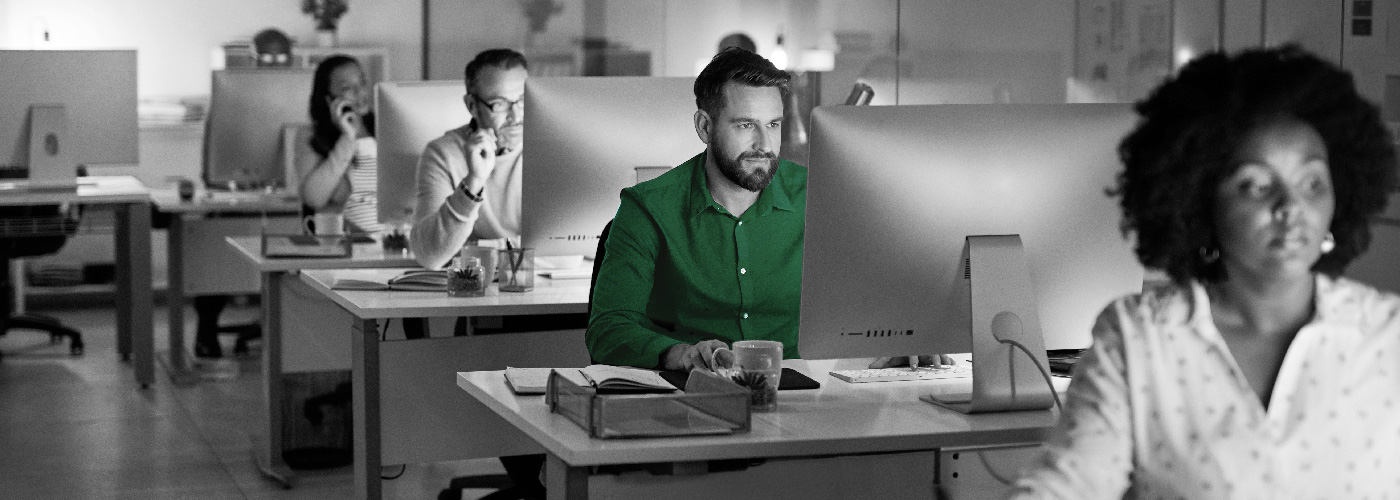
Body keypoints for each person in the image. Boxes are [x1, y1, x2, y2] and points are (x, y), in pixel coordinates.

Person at [1008, 45, 1400, 499]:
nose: (1291, 208)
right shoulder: (1140, 341)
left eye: (1312, 184)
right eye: (1256, 185)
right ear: (1199, 199)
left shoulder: (1386, 335)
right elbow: (1069, 483)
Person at [586, 47, 806, 371]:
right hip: (689, 399)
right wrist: (680, 354)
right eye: (746, 125)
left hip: (801, 394)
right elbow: (608, 331)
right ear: (705, 127)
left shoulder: (816, 197)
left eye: (773, 125)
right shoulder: (648, 207)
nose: (764, 144)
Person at [410, 48, 527, 269]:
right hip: (470, 288)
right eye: (500, 104)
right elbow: (430, 256)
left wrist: (478, 248)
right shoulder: (442, 154)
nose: (517, 115)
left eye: (522, 99)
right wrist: (473, 182)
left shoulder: (551, 148)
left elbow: (571, 251)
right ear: (472, 106)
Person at [296, 54, 381, 235]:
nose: (360, 93)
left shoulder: (385, 129)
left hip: (391, 243)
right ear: (329, 99)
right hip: (343, 245)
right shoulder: (312, 137)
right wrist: (348, 138)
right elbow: (314, 199)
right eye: (347, 88)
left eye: (362, 83)